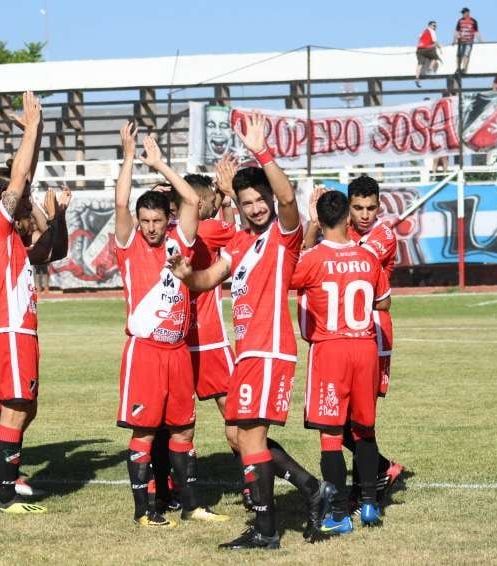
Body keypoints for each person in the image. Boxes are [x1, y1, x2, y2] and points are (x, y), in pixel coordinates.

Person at [168, 111, 331, 550]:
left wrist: (262, 151)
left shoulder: (282, 236)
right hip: (248, 354)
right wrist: (186, 274)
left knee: (250, 436)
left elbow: (288, 198)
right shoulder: (240, 243)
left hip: (270, 350)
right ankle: (310, 490)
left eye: (261, 199)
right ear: (238, 207)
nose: (257, 206)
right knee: (240, 436)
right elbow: (208, 279)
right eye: (248, 202)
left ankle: (267, 528)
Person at [113, 121, 227, 528]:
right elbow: (121, 203)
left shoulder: (181, 241)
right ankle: (144, 511)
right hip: (145, 352)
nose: (150, 228)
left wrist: (161, 165)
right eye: (144, 221)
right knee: (144, 431)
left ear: (168, 219)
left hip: (178, 351)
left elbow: (193, 201)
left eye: (156, 221)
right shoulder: (129, 245)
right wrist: (130, 157)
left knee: (183, 429)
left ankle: (192, 504)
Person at [0, 92, 53, 515]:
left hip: (13, 330)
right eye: (17, 196)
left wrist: (35, 137)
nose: (23, 199)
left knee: (24, 406)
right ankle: (5, 494)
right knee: (17, 409)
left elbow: (25, 177)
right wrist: (32, 130)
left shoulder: (5, 235)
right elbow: (19, 177)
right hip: (9, 330)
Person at [291, 190, 391, 534]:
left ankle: (338, 514)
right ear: (349, 218)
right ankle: (369, 504)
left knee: (331, 434)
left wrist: (309, 228)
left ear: (320, 220)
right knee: (364, 429)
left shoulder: (313, 258)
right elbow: (384, 302)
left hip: (330, 349)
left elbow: (289, 274)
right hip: (365, 348)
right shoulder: (367, 256)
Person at [454, 7, 481, 75]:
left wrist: (480, 41)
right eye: (462, 13)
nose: (463, 14)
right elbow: (457, 31)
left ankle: (464, 69)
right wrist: (454, 40)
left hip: (469, 41)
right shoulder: (460, 21)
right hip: (461, 41)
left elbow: (476, 32)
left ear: (468, 13)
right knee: (459, 55)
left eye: (464, 13)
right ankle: (458, 68)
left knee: (466, 55)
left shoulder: (473, 21)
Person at [415, 21, 442, 87]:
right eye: (433, 25)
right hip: (426, 49)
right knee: (435, 57)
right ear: (429, 26)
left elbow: (419, 37)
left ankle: (417, 78)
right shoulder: (432, 31)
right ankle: (430, 69)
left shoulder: (424, 31)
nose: (435, 27)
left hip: (419, 49)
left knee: (420, 64)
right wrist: (440, 47)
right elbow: (435, 42)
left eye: (435, 26)